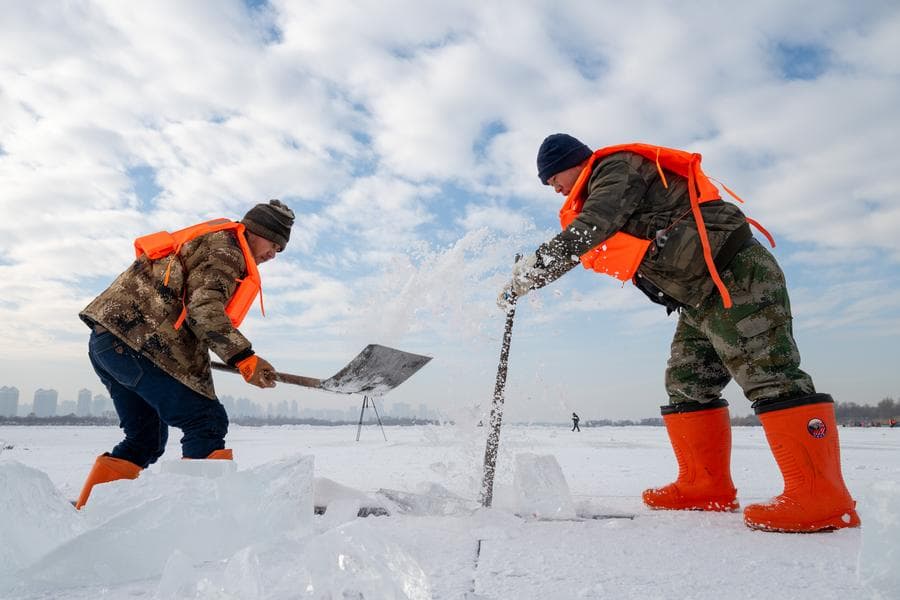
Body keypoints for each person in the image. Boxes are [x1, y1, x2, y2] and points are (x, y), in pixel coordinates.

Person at [497, 134, 860, 533]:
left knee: (769, 375)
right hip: (699, 295)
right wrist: (530, 277)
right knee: (686, 383)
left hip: (733, 275)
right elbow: (596, 236)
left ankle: (821, 497)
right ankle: (705, 486)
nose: (554, 189)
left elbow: (594, 225)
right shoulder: (602, 185)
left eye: (552, 178)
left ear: (572, 161)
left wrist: (533, 269)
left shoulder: (613, 169)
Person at [75, 199, 295, 509]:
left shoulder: (212, 244)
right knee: (205, 421)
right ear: (253, 232)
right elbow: (203, 310)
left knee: (145, 441)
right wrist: (243, 356)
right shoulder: (226, 249)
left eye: (280, 249)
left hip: (109, 343)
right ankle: (199, 519)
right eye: (273, 243)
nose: (274, 254)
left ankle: (87, 516)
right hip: (138, 344)